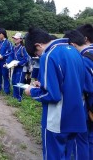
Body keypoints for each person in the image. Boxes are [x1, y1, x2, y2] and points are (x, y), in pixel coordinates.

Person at [24, 28, 88, 160]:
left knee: (53, 156)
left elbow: (53, 95)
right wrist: (44, 84)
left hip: (57, 119)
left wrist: (32, 91)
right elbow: (69, 82)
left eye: (37, 53)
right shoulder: (75, 51)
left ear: (38, 45)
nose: (39, 56)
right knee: (66, 154)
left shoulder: (49, 56)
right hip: (76, 116)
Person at [64, 30, 93, 160]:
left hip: (89, 107)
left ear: (73, 45)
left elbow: (87, 87)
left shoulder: (84, 59)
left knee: (82, 140)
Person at [6, 32, 29, 102]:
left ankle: (19, 97)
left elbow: (26, 59)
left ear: (21, 39)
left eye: (16, 38)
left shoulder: (23, 48)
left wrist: (19, 63)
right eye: (14, 38)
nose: (15, 39)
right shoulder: (14, 47)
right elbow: (11, 56)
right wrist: (7, 63)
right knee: (13, 81)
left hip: (22, 68)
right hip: (15, 67)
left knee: (19, 82)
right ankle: (14, 95)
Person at [0, 28, 12, 94]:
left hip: (4, 61)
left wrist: (3, 56)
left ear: (3, 34)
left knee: (5, 75)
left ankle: (6, 90)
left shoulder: (8, 43)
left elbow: (10, 52)